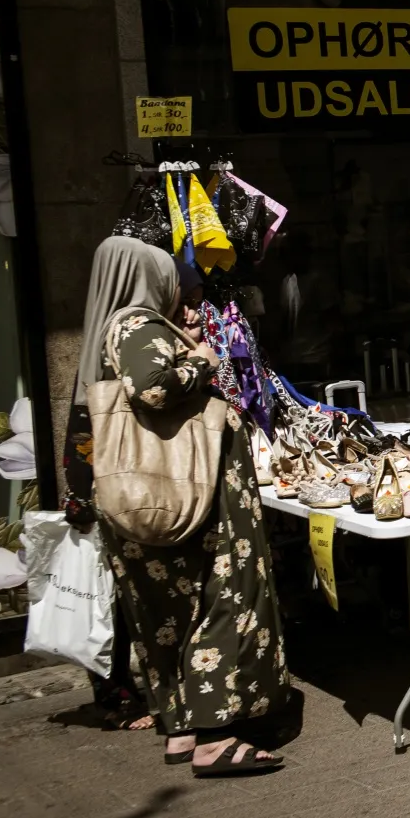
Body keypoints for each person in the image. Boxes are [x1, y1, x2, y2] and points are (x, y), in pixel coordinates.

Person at [76, 236, 290, 775]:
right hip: (191, 499)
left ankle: (183, 729)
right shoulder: (137, 325)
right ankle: (218, 738)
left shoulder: (120, 327)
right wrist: (202, 362)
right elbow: (153, 388)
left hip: (162, 498)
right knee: (220, 602)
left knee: (172, 614)